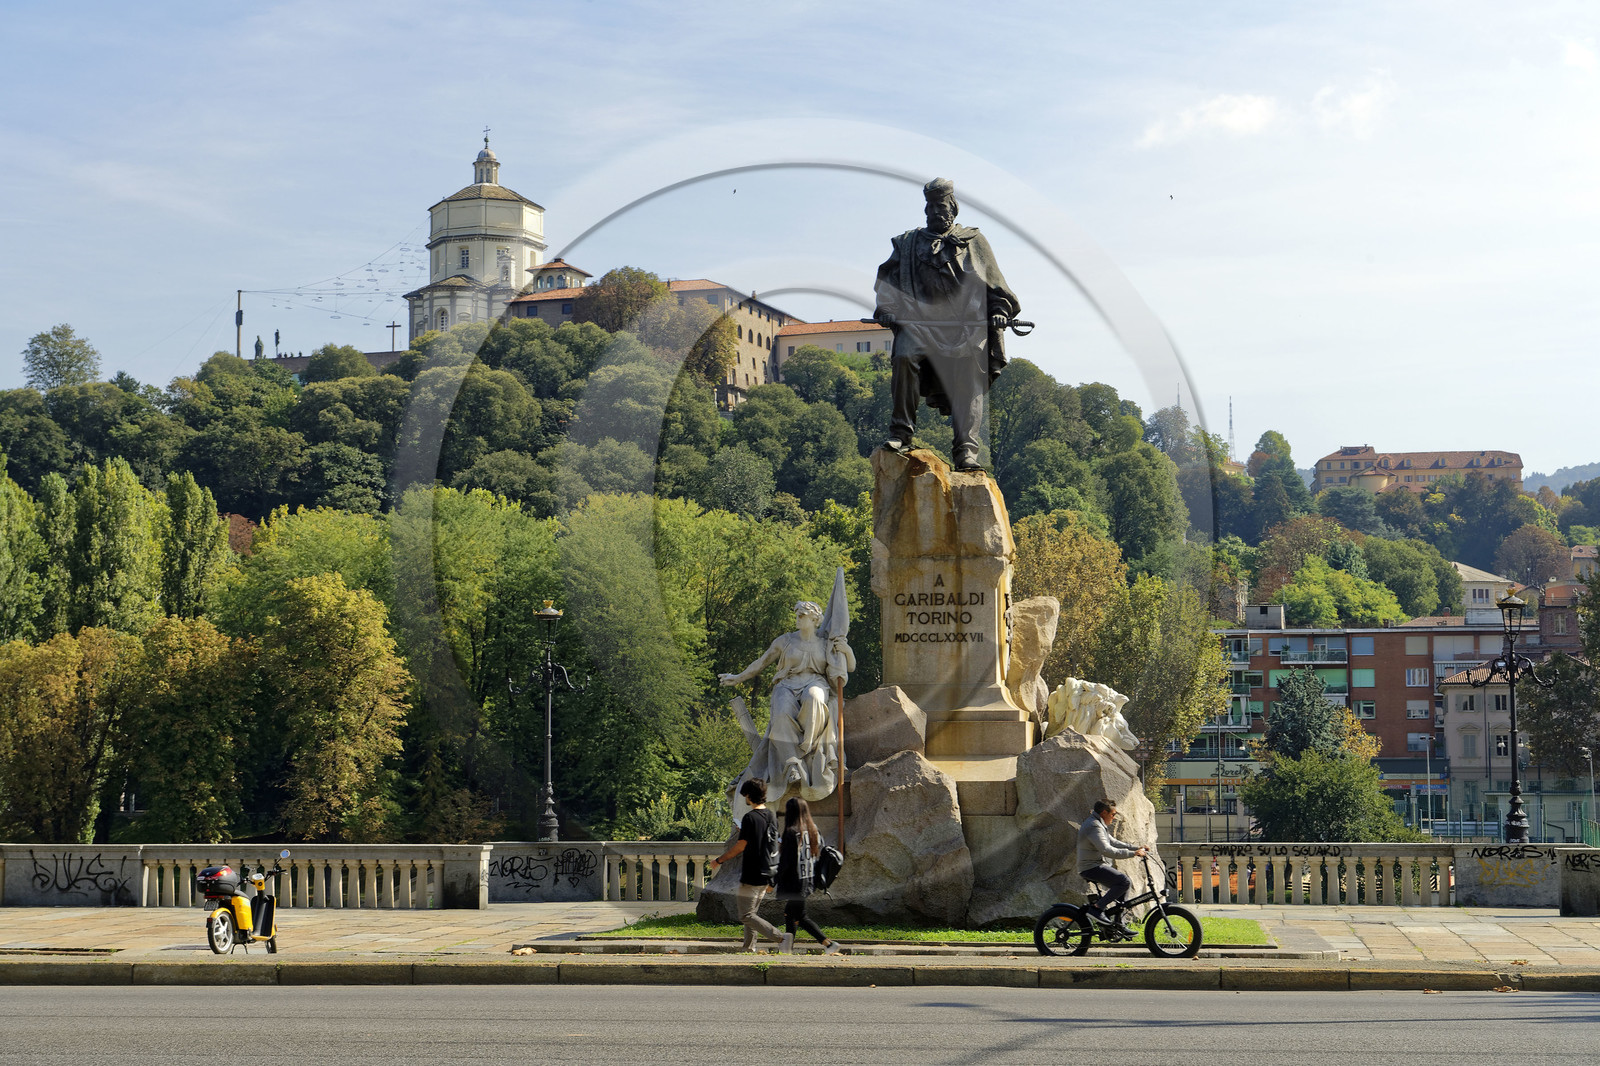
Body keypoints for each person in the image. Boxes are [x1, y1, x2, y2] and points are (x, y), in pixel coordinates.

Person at [873, 176, 1021, 472]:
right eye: (930, 207)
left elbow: (995, 283)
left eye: (941, 206)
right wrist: (887, 308)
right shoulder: (908, 242)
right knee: (903, 356)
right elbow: (887, 281)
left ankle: (966, 451)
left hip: (966, 327)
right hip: (918, 324)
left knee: (970, 373)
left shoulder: (973, 241)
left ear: (953, 208)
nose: (935, 212)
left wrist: (999, 311)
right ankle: (900, 434)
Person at [720, 599, 854, 812]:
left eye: (802, 615)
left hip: (815, 682)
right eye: (797, 615)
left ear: (814, 619)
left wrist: (845, 650)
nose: (797, 618)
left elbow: (848, 667)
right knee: (781, 712)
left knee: (816, 700)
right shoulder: (785, 641)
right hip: (787, 684)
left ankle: (809, 751)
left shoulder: (825, 642)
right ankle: (792, 764)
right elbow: (761, 663)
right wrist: (738, 678)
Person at [711, 778, 785, 952]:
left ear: (749, 795)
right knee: (752, 913)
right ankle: (748, 947)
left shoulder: (750, 817)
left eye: (745, 794)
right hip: (767, 873)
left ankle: (779, 936)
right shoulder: (771, 816)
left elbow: (740, 847)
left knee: (746, 914)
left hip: (753, 873)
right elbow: (772, 843)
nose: (744, 797)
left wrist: (719, 860)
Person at [774, 797, 841, 955]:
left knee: (801, 916)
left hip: (795, 881)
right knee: (790, 913)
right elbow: (818, 852)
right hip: (808, 879)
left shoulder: (791, 832)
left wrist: (773, 881)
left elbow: (785, 862)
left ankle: (829, 944)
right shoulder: (813, 829)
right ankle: (787, 949)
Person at [1076, 798, 1148, 931]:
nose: (1114, 818)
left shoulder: (1098, 823)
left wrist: (1137, 848)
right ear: (1104, 812)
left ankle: (1118, 924)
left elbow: (1114, 842)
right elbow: (1107, 850)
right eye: (1113, 814)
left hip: (1095, 865)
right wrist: (1133, 854)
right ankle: (1097, 909)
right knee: (1124, 882)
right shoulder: (1094, 826)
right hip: (1091, 867)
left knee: (1123, 885)